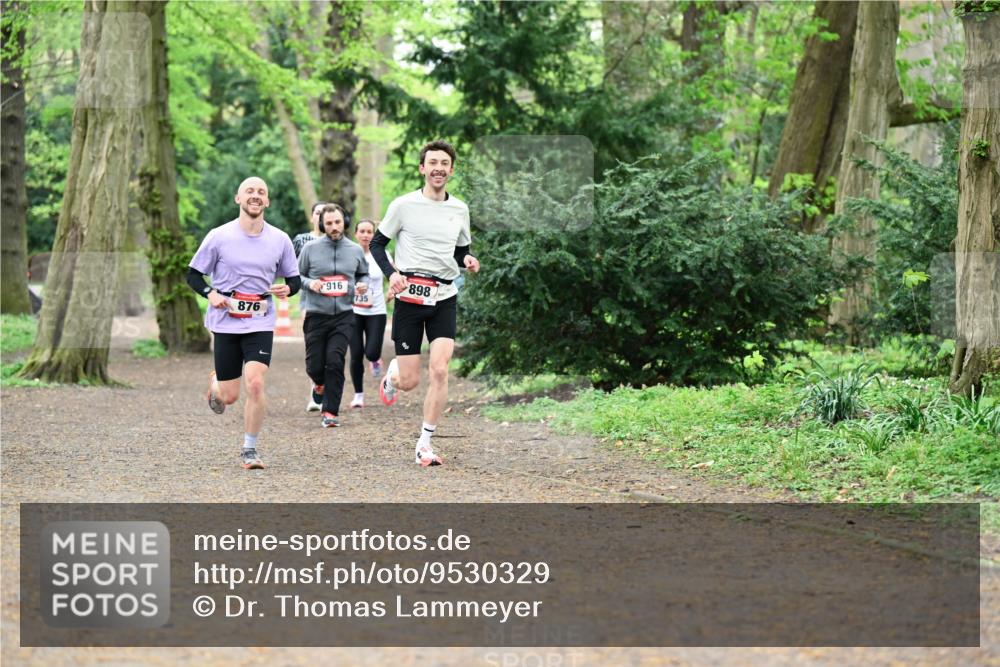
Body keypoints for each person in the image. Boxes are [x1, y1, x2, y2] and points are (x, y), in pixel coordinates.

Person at [370, 140, 480, 467]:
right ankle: (392, 377)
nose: (438, 168)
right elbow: (377, 245)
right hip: (409, 298)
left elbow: (461, 250)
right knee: (409, 381)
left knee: (440, 370)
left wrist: (469, 259)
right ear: (422, 168)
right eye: (432, 162)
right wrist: (392, 274)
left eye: (444, 163)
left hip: (445, 296)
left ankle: (425, 443)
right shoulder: (403, 205)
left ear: (451, 170)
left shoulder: (459, 209)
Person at [186, 176, 300, 470]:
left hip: (260, 320)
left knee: (256, 382)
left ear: (267, 201)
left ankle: (249, 450)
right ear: (238, 198)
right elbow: (193, 275)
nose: (255, 195)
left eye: (261, 192)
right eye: (249, 191)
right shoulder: (219, 236)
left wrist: (289, 289)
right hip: (225, 321)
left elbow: (294, 280)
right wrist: (210, 294)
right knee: (229, 396)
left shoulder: (280, 239)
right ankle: (215, 384)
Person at [297, 204, 369, 428]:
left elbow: (363, 274)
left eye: (337, 222)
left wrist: (362, 286)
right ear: (322, 225)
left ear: (344, 222)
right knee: (315, 366)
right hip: (317, 315)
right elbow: (296, 276)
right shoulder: (310, 249)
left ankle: (330, 412)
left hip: (344, 316)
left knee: (335, 361)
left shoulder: (355, 250)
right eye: (329, 223)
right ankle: (318, 384)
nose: (334, 227)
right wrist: (312, 283)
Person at [348, 219, 392, 408]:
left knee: (372, 352)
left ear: (374, 235)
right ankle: (358, 395)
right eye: (362, 231)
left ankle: (374, 360)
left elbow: (393, 273)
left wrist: (392, 290)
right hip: (353, 310)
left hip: (377, 310)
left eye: (369, 232)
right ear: (356, 234)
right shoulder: (348, 254)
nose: (365, 235)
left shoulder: (381, 254)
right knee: (356, 354)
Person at [293, 201, 327, 412]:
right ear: (312, 217)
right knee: (313, 343)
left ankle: (324, 389)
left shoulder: (336, 239)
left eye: (325, 212)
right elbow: (292, 269)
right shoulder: (301, 240)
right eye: (317, 212)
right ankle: (316, 385)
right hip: (309, 297)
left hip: (334, 300)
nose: (321, 216)